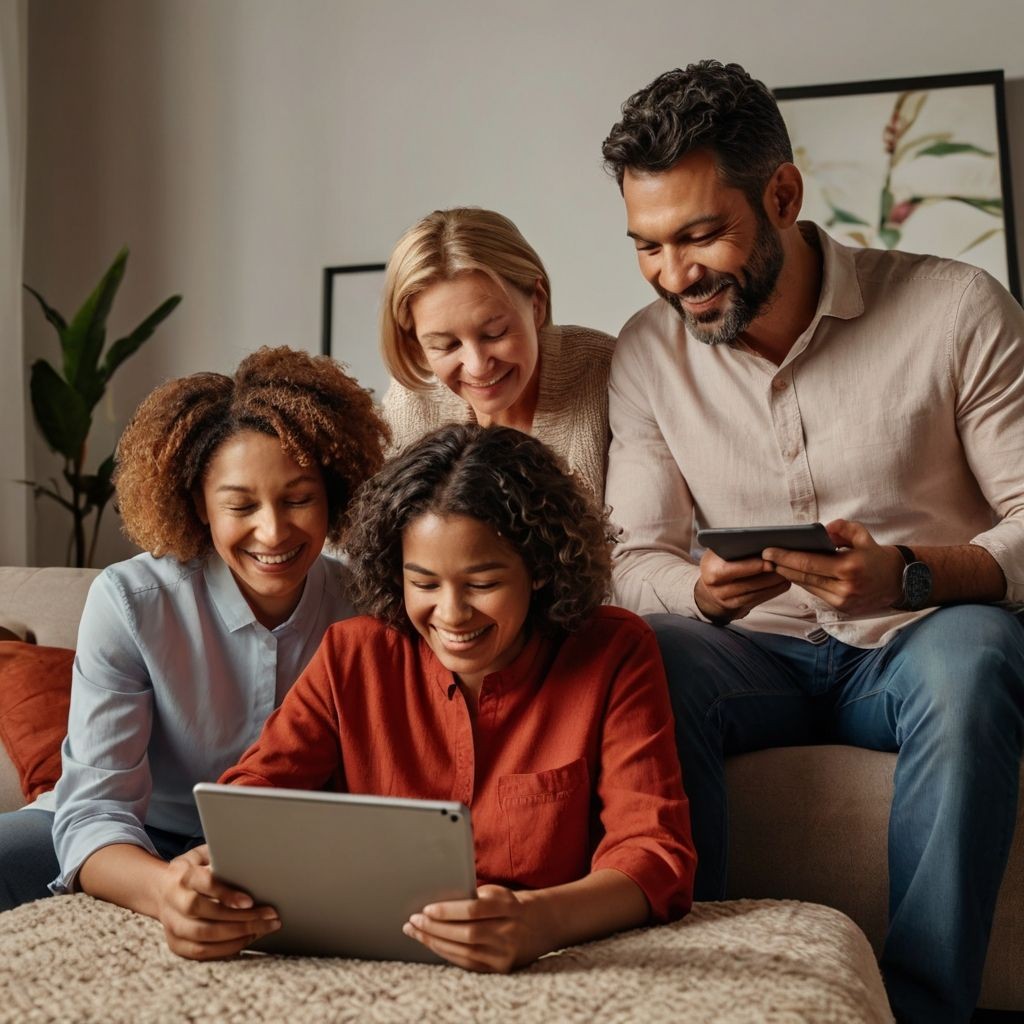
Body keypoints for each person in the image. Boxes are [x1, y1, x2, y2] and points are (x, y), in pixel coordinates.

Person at [600, 60, 1024, 1023]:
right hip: (750, 656)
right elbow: (633, 559)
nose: (676, 277)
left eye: (701, 234)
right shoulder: (645, 353)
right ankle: (705, 995)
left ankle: (922, 1007)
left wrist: (911, 575)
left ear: (782, 194)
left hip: (919, 644)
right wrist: (700, 595)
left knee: (978, 658)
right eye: (648, 247)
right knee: (644, 651)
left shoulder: (958, 308)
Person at [166, 424, 696, 969]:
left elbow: (655, 851)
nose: (451, 615)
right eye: (423, 584)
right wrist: (201, 886)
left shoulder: (615, 651)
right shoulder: (354, 654)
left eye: (483, 584)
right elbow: (251, 801)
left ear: (539, 569)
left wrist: (541, 921)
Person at [0, 347, 388, 941]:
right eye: (240, 505)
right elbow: (95, 811)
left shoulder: (367, 603)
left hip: (287, 848)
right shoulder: (131, 601)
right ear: (198, 506)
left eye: (298, 499)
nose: (273, 531)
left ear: (335, 493)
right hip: (137, 834)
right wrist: (165, 891)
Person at [379, 207, 615, 497]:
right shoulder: (413, 401)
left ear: (537, 304)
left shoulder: (607, 373)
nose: (478, 366)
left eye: (495, 333)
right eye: (446, 345)